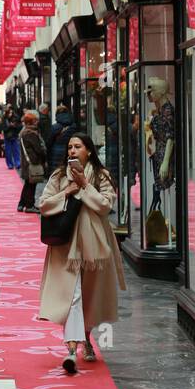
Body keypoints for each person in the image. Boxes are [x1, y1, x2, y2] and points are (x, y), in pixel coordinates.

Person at [38, 133, 125, 374]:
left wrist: (85, 187)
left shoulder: (100, 175)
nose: (72, 151)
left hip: (94, 245)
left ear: (88, 151)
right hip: (65, 244)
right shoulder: (58, 175)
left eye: (78, 146)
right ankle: (71, 349)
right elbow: (43, 204)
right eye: (69, 147)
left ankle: (86, 337)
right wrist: (67, 192)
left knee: (90, 294)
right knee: (73, 294)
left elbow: (106, 205)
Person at [17, 109, 46, 212]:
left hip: (26, 161)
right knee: (31, 184)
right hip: (32, 162)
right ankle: (29, 205)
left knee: (28, 183)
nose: (37, 122)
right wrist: (44, 153)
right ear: (31, 122)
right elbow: (38, 149)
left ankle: (22, 204)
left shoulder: (24, 132)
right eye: (35, 120)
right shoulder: (31, 133)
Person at [46, 103, 75, 175]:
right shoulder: (73, 126)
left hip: (55, 153)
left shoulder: (55, 127)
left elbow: (49, 142)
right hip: (69, 151)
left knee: (56, 173)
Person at [1, 105, 21, 170]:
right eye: (9, 113)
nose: (10, 114)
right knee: (8, 151)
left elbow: (19, 127)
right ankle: (10, 164)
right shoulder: (4, 119)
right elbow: (3, 128)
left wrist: (14, 126)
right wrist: (10, 126)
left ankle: (17, 163)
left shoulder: (16, 118)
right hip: (7, 136)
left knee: (16, 150)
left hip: (14, 136)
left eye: (11, 112)